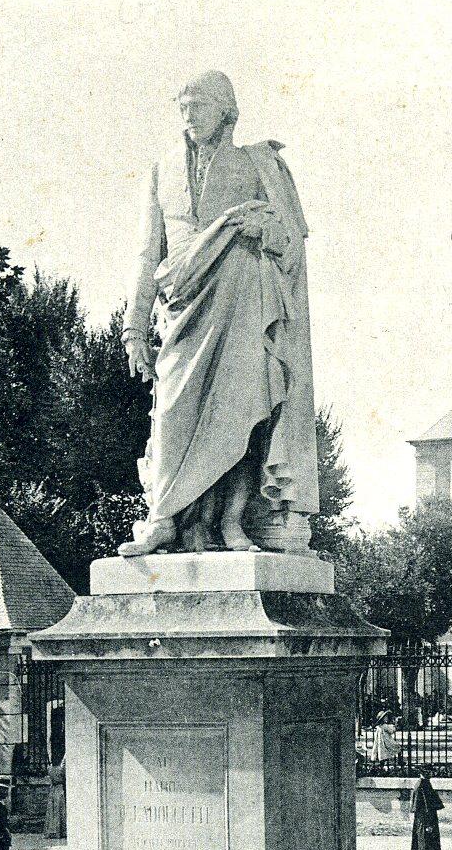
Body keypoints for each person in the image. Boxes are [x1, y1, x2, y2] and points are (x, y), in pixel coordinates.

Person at [119, 70, 318, 556]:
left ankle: (230, 522)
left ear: (226, 110)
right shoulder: (162, 168)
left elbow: (290, 243)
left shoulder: (258, 165)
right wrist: (133, 326)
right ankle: (165, 519)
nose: (189, 116)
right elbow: (147, 252)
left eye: (199, 105)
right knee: (171, 414)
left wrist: (258, 229)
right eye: (182, 106)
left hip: (244, 301)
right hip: (181, 306)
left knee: (243, 412)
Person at [409, 766, 444, 850]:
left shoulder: (425, 784)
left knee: (426, 845)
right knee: (423, 846)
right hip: (424, 821)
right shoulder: (421, 786)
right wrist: (428, 824)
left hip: (426, 820)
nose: (431, 773)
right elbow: (422, 808)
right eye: (428, 771)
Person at [43, 756, 67, 840]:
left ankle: (52, 830)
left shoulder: (49, 769)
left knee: (52, 810)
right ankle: (61, 831)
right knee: (60, 809)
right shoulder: (61, 769)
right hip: (59, 788)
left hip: (52, 789)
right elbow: (64, 777)